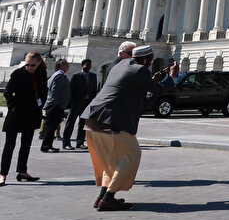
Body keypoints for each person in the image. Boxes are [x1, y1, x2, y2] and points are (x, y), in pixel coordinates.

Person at [81, 44, 165, 210]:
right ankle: (108, 198)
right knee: (131, 157)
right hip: (111, 121)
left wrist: (153, 81)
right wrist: (170, 77)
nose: (150, 62)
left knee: (110, 162)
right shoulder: (141, 70)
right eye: (151, 59)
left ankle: (102, 197)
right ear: (147, 59)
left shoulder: (120, 65)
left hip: (93, 118)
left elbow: (135, 90)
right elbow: (158, 90)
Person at [1, 52, 47, 186]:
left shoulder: (41, 73)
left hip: (31, 113)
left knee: (26, 144)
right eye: (27, 64)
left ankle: (22, 171)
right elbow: (8, 92)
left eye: (33, 65)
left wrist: (41, 103)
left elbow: (44, 91)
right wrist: (13, 107)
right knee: (9, 145)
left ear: (39, 63)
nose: (30, 67)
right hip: (16, 114)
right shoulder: (18, 74)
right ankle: (2, 173)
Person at [64, 59, 98, 149]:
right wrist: (71, 103)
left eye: (90, 65)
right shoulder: (76, 76)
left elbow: (94, 89)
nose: (88, 67)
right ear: (82, 66)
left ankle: (80, 143)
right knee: (70, 123)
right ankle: (66, 143)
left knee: (83, 124)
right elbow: (71, 90)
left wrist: (92, 102)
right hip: (76, 103)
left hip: (87, 103)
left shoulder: (93, 76)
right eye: (86, 65)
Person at [41, 59, 71, 153]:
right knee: (50, 127)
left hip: (56, 105)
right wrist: (57, 104)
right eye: (66, 64)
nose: (68, 66)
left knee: (51, 126)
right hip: (55, 106)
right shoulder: (59, 75)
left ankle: (49, 145)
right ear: (61, 65)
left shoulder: (58, 75)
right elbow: (55, 91)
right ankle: (46, 146)